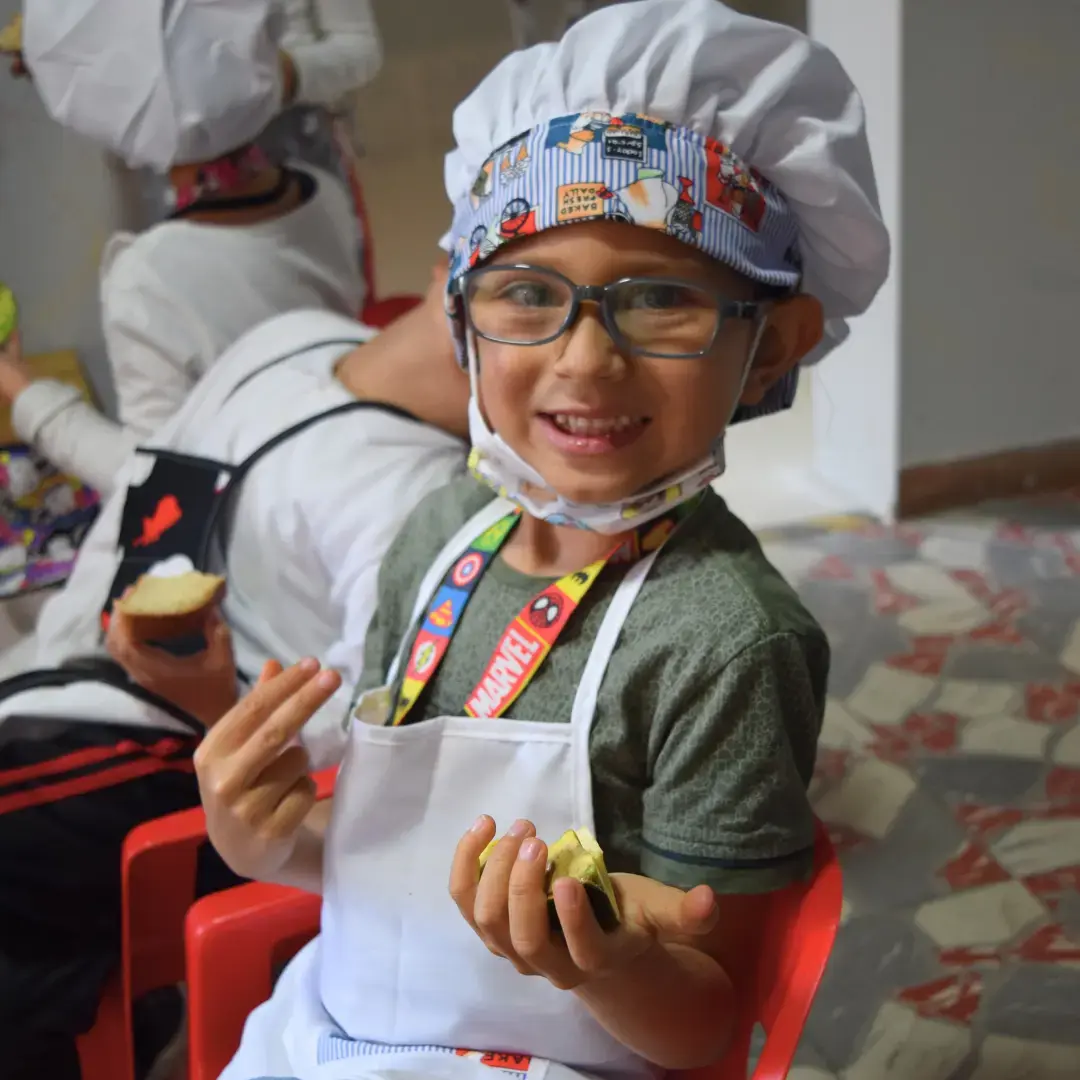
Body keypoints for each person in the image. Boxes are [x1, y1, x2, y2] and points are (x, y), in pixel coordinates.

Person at [195, 1, 891, 1077]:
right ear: (460, 321)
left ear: (769, 351)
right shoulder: (433, 534)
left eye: (660, 300)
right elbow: (388, 862)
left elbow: (709, 1029)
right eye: (527, 295)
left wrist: (596, 961)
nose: (584, 363)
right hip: (327, 1033)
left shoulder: (726, 642)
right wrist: (264, 839)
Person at [0, 271, 469, 1080]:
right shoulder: (286, 340)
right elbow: (148, 472)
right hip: (57, 692)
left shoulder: (430, 503)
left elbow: (372, 741)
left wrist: (217, 706)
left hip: (175, 753)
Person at [6, 0, 363, 498]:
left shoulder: (149, 277)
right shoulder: (320, 196)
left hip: (260, 547)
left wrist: (21, 387)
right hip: (343, 484)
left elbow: (154, 483)